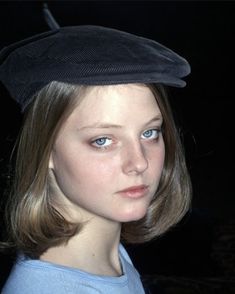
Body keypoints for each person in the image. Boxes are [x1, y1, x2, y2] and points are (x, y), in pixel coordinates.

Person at [0, 24, 192, 293]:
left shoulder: (108, 257)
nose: (139, 163)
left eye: (149, 133)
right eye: (102, 141)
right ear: (45, 151)